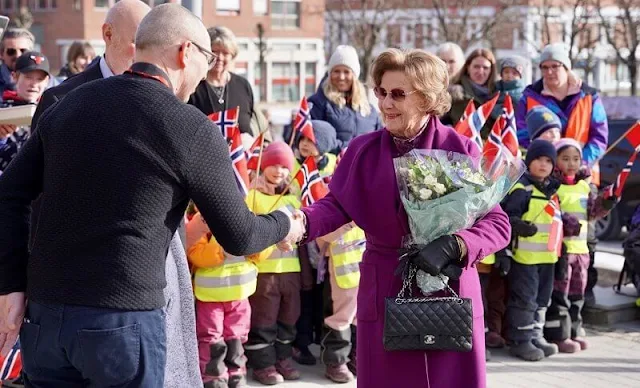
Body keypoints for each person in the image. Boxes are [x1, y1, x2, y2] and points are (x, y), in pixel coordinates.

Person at [0, 4, 303, 387]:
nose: (205, 75)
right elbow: (239, 235)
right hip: (121, 324)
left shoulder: (70, 103)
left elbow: (9, 194)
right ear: (185, 52)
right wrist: (285, 223)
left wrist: (11, 283)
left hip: (46, 319)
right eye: (206, 59)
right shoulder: (188, 125)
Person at [296, 48, 511, 388]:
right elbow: (335, 207)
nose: (385, 103)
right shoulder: (362, 151)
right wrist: (299, 224)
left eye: (397, 94)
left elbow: (497, 225)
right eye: (381, 92)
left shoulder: (461, 149)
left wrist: (456, 244)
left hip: (449, 289)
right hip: (386, 287)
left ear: (426, 98)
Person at [515, 43, 609, 308]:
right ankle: (554, 303)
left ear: (567, 67)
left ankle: (583, 295)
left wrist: (578, 164)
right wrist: (547, 161)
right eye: (544, 67)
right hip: (544, 177)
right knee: (549, 234)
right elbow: (522, 132)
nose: (549, 72)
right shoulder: (530, 95)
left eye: (554, 66)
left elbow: (599, 137)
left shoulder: (590, 96)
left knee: (584, 238)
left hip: (583, 178)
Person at [544, 139, 615, 353]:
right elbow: (549, 212)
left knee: (578, 295)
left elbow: (593, 212)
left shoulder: (585, 185)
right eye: (565, 159)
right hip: (562, 251)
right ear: (556, 161)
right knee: (560, 296)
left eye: (575, 159)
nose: (571, 164)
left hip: (581, 251)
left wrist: (607, 202)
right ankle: (559, 334)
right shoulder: (552, 186)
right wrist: (566, 221)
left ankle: (575, 330)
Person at [244, 142, 302, 386]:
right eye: (273, 164)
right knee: (264, 320)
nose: (279, 170)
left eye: (284, 166)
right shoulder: (253, 196)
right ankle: (263, 364)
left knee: (289, 318)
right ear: (263, 166)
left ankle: (283, 358)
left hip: (291, 270)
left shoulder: (294, 198)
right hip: (265, 272)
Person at [187, 208, 261, 388]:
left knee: (237, 337)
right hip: (210, 297)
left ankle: (237, 374)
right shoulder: (200, 220)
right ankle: (214, 377)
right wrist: (222, 248)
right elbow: (197, 254)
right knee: (211, 338)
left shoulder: (246, 215)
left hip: (239, 295)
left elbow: (260, 252)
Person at [504, 139, 560, 361]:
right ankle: (521, 340)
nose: (543, 164)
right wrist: (518, 225)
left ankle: (536, 335)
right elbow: (508, 217)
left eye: (548, 161)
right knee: (525, 298)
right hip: (525, 257)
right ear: (529, 162)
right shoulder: (522, 188)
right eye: (538, 159)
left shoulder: (552, 191)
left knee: (542, 298)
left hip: (547, 257)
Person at [308, 45, 381, 152]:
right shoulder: (317, 103)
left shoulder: (369, 110)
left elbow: (379, 140)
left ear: (354, 75)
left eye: (346, 72)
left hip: (365, 167)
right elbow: (315, 139)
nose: (341, 77)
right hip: (334, 167)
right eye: (336, 71)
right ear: (329, 74)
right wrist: (349, 149)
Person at [189, 26, 255, 135]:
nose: (219, 57)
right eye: (214, 51)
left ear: (232, 55)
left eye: (225, 53)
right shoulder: (193, 85)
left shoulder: (243, 86)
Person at [0, 52, 50, 173]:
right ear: (15, 76)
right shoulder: (3, 110)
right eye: (28, 77)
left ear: (47, 81)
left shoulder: (52, 110)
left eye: (40, 79)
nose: (34, 84)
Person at [442, 48, 498, 134]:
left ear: (491, 70)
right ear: (468, 67)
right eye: (476, 67)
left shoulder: (499, 95)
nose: (480, 71)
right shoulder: (453, 94)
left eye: (485, 68)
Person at [0, 28, 35, 95]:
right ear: (1, 54)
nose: (18, 55)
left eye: (23, 51)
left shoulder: (46, 80)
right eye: (11, 51)